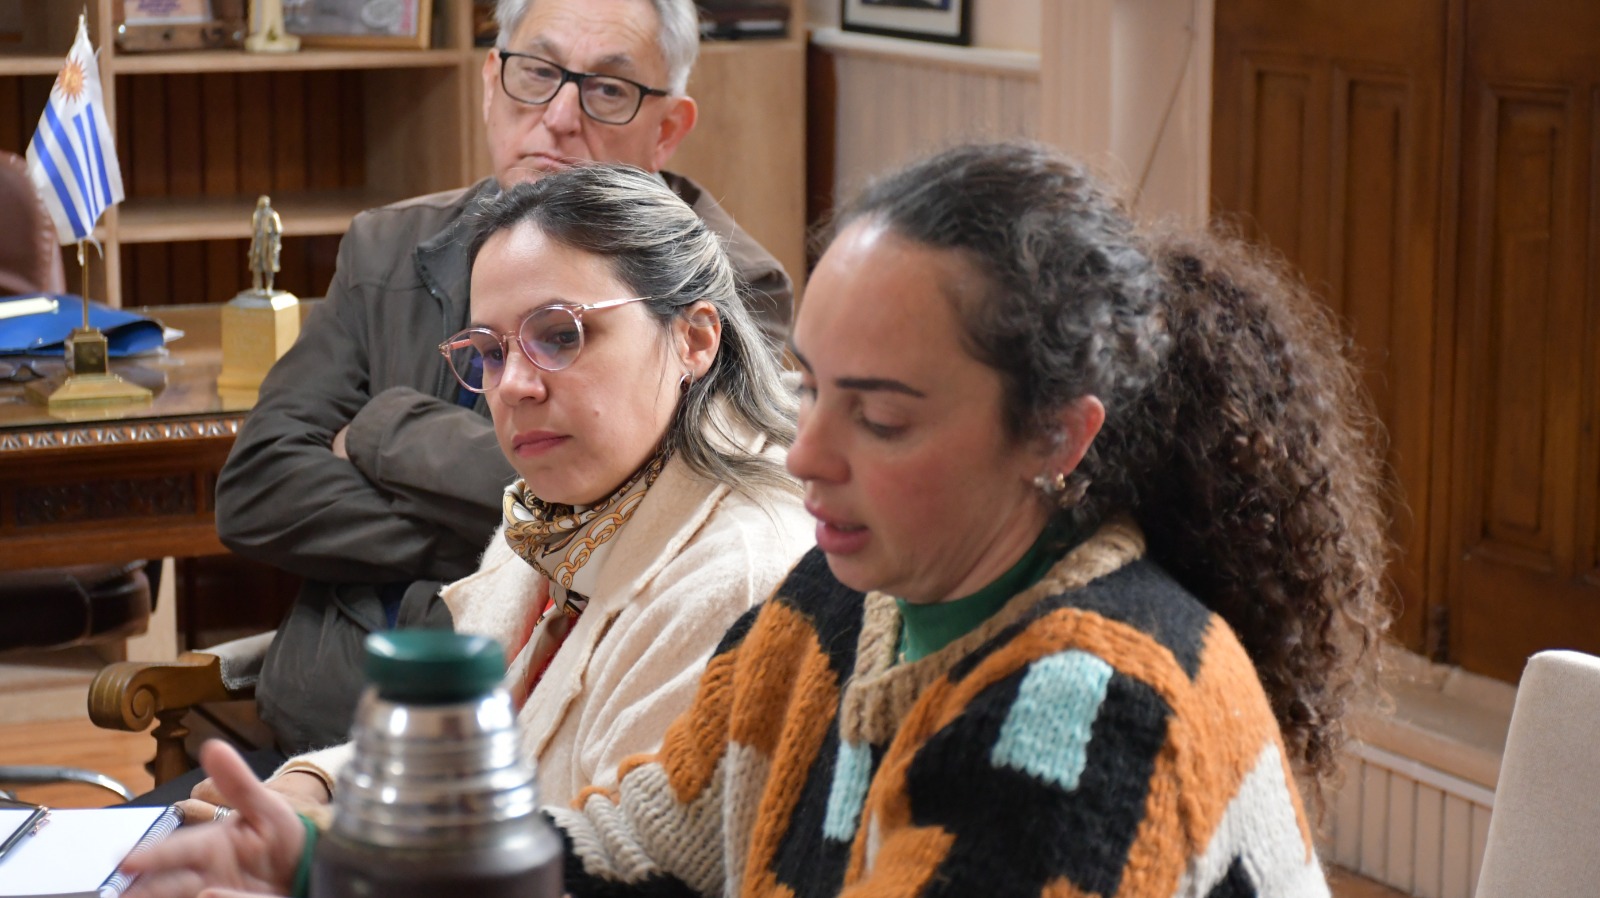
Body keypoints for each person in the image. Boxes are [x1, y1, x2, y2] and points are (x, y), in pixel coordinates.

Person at [124, 141, 1391, 897]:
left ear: (1057, 437)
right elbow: (624, 854)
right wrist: (326, 863)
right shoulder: (839, 604)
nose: (807, 453)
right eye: (816, 391)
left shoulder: (1091, 706)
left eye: (878, 417)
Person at [209, 0, 796, 771]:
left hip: (520, 753)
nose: (559, 117)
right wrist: (523, 535)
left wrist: (384, 433)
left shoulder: (718, 284)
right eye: (537, 73)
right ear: (491, 84)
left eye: (607, 89)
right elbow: (256, 489)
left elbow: (657, 509)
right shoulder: (388, 246)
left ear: (668, 128)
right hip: (320, 733)